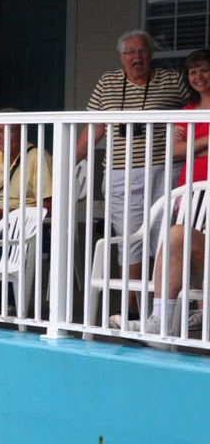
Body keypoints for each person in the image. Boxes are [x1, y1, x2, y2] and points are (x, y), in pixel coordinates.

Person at [75, 31, 192, 297]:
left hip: (166, 170)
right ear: (121, 57)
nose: (136, 57)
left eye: (142, 51)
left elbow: (195, 113)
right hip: (120, 171)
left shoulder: (172, 80)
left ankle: (162, 305)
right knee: (129, 237)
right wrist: (69, 162)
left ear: (151, 55)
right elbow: (95, 127)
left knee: (164, 235)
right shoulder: (108, 82)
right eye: (130, 52)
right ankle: (131, 307)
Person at [128, 48, 210, 335]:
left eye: (204, 69)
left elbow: (182, 148)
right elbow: (172, 152)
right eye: (193, 71)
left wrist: (190, 143)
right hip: (191, 194)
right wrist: (204, 141)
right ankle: (161, 321)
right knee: (177, 237)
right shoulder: (187, 111)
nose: (198, 76)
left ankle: (202, 312)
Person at [0, 112, 54, 224]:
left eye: (11, 131)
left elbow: (47, 209)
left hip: (26, 227)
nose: (3, 137)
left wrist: (0, 214)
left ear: (25, 131)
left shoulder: (39, 157)